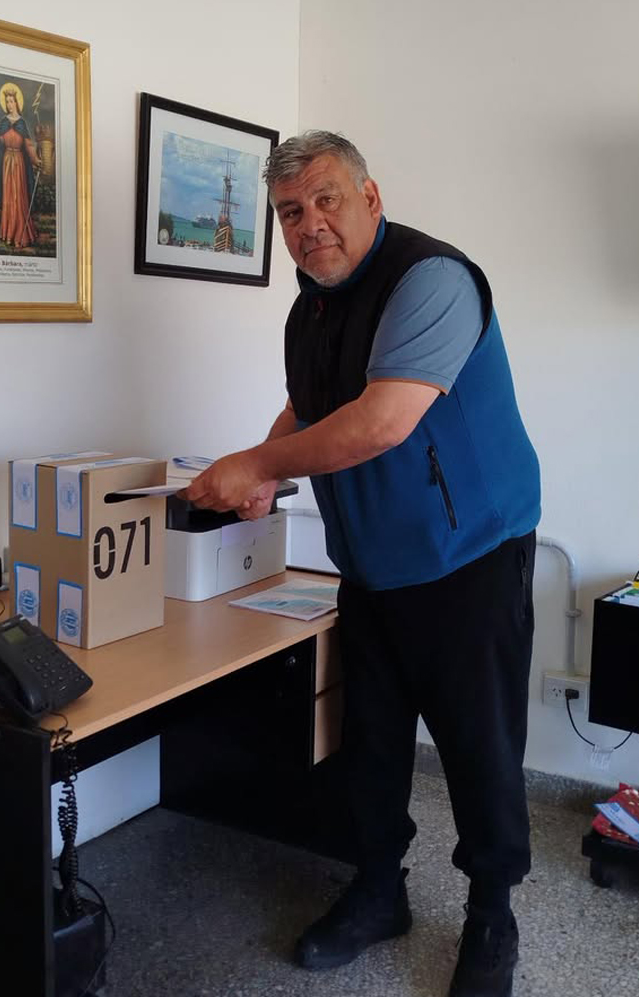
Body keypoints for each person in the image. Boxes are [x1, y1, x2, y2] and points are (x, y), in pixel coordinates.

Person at [181, 131, 541, 997]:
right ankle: (380, 890)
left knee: (480, 748)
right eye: (289, 212)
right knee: (370, 746)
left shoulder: (433, 280)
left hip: (467, 557)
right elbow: (306, 409)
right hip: (372, 565)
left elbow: (382, 421)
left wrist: (257, 464)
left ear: (370, 198)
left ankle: (492, 912)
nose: (309, 224)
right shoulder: (309, 308)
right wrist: (263, 471)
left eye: (326, 200)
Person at [0, 83, 42, 249]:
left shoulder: (22, 123)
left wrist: (36, 160)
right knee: (9, 197)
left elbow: (28, 145)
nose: (9, 105)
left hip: (18, 163)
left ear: (17, 103)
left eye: (11, 101)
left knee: (18, 196)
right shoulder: (3, 122)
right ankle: (8, 234)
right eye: (7, 102)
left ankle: (20, 234)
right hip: (6, 163)